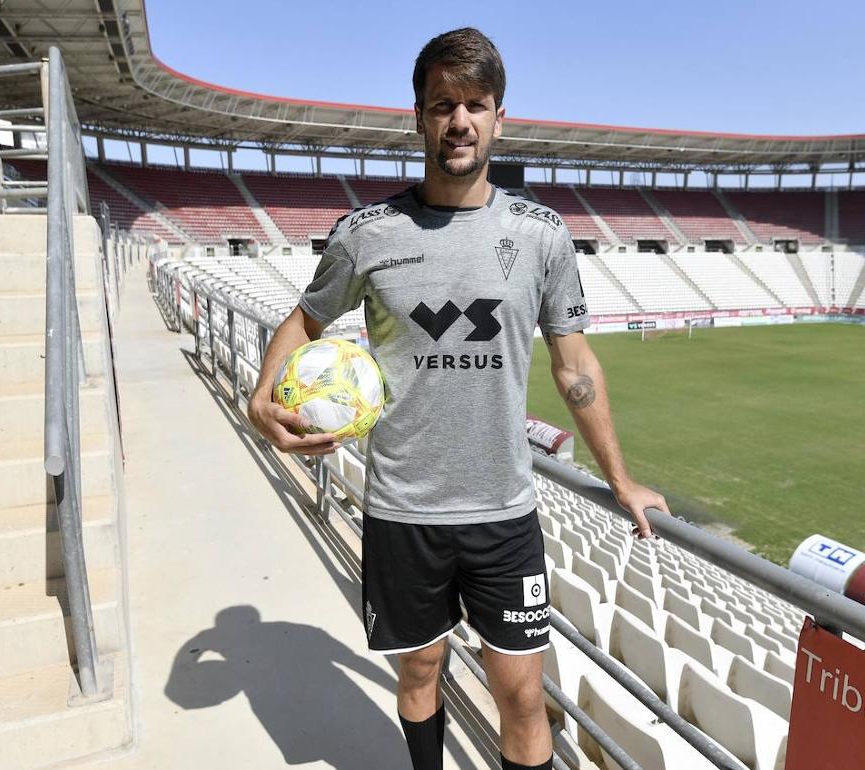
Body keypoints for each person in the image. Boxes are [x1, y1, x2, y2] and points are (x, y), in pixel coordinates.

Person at [248, 27, 668, 770]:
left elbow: (576, 367)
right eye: (444, 104)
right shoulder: (365, 234)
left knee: (524, 698)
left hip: (504, 511)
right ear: (419, 116)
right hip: (403, 510)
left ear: (500, 117)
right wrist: (261, 398)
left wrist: (621, 479)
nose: (460, 121)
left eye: (475, 104)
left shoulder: (541, 236)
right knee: (417, 673)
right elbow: (301, 321)